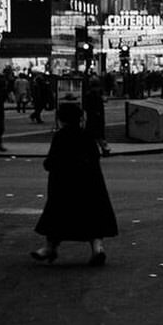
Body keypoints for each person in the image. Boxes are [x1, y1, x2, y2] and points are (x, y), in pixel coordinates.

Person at [30, 101, 118, 266]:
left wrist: (49, 165)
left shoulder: (61, 136)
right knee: (92, 217)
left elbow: (52, 161)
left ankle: (50, 247)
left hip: (64, 184)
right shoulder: (87, 136)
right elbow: (94, 158)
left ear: (62, 119)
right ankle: (97, 248)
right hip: (89, 183)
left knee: (58, 216)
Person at [83, 76, 110, 156]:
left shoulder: (90, 95)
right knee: (99, 135)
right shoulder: (98, 95)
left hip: (93, 117)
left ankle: (103, 149)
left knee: (93, 135)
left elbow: (86, 106)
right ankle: (104, 148)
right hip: (98, 117)